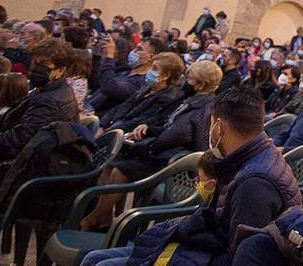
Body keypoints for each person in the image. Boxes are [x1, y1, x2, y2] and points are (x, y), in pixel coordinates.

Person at [116, 86, 301, 266]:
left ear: (219, 127)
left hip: (213, 256)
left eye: (210, 123)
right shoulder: (250, 157)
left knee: (99, 261)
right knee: (98, 258)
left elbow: (238, 257)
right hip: (210, 248)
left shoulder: (254, 184)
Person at [81, 60, 223, 230]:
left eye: (190, 79)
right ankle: (101, 215)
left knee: (121, 170)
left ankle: (97, 217)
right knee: (110, 166)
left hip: (170, 161)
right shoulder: (190, 99)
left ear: (200, 85)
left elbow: (200, 144)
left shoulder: (205, 109)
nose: (185, 81)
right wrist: (148, 128)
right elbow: (167, 123)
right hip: (158, 150)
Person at [80, 151, 221, 266]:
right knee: (92, 258)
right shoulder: (211, 199)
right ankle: (101, 216)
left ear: (212, 185)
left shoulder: (231, 196)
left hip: (184, 253)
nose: (196, 183)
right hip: (174, 245)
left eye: (199, 179)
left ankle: (99, 217)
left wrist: (151, 143)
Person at [0, 37, 78, 169]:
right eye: (35, 62)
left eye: (44, 65)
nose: (36, 68)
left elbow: (15, 141)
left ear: (60, 70)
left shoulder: (49, 101)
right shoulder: (53, 89)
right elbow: (12, 118)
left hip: (23, 166)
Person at [102, 51, 185, 134]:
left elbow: (140, 120)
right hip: (114, 124)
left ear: (165, 76)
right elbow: (122, 106)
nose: (149, 71)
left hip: (123, 131)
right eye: (150, 67)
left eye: (154, 69)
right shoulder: (147, 87)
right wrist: (102, 124)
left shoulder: (167, 97)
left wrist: (110, 131)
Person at [88, 36, 162, 114]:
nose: (133, 51)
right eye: (135, 48)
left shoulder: (142, 82)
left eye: (139, 49)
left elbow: (111, 88)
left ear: (151, 57)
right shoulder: (125, 72)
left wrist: (109, 57)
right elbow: (99, 83)